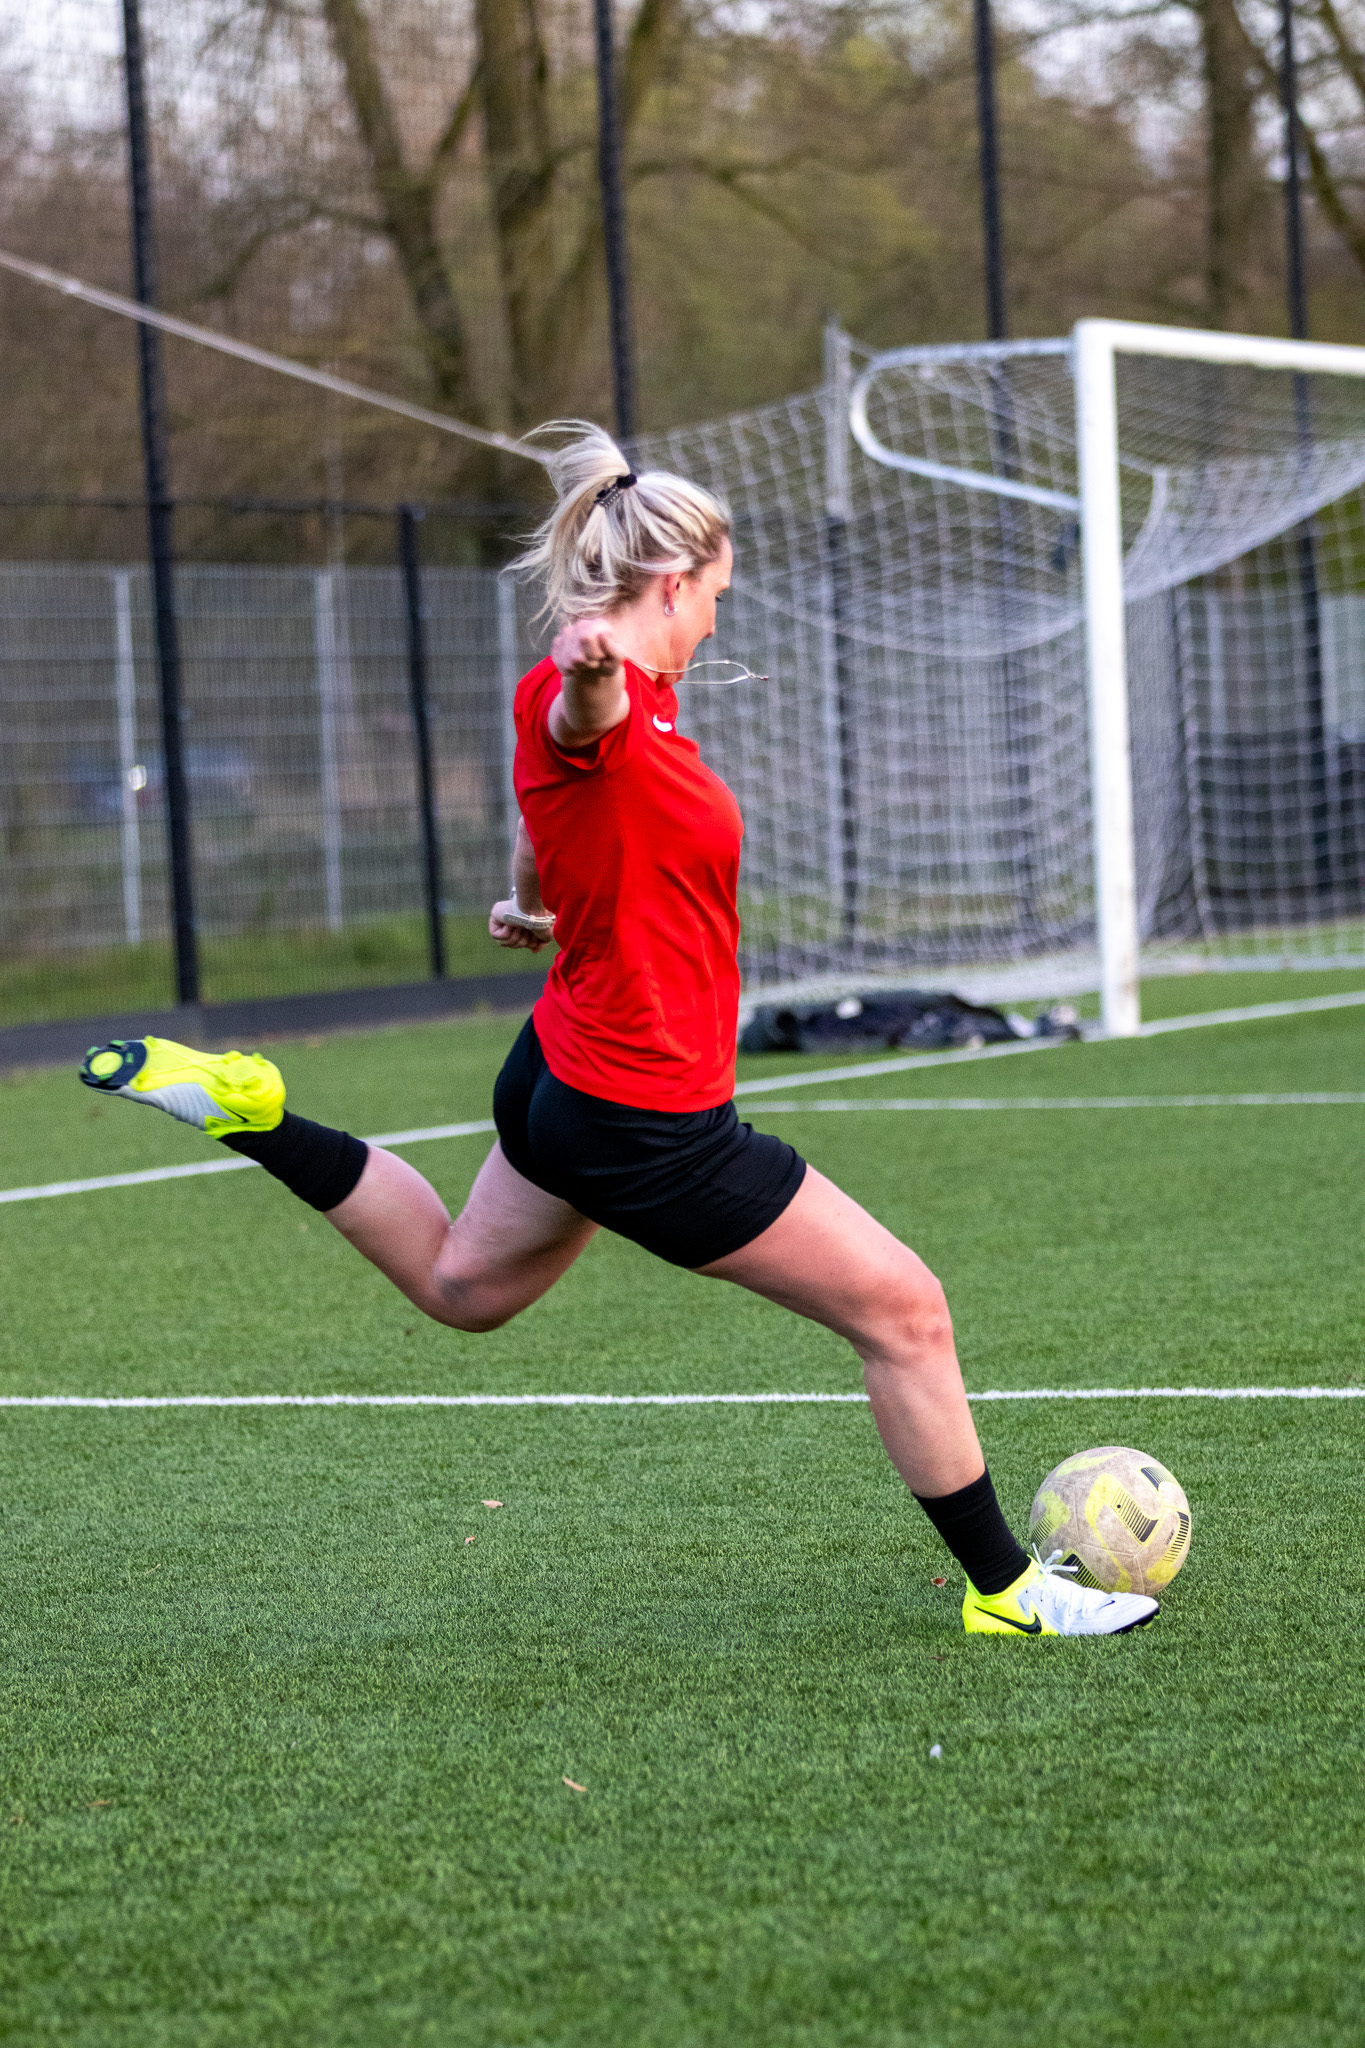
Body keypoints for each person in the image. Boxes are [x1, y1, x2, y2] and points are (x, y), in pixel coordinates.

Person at [78, 422, 1155, 1639]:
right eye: (715, 597)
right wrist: (592, 670)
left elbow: (549, 805)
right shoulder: (596, 698)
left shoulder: (629, 699)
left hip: (559, 1072)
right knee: (907, 1311)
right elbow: (575, 730)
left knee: (461, 1285)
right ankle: (1008, 1592)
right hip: (645, 1116)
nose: (716, 620)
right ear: (671, 585)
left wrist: (535, 901)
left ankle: (255, 1114)